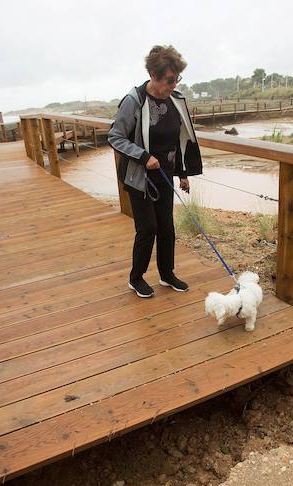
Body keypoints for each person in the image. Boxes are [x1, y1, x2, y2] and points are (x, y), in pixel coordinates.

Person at [108, 45, 203, 298]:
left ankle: (166, 274)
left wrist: (182, 173)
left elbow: (180, 140)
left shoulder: (176, 100)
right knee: (148, 228)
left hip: (165, 175)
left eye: (177, 78)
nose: (173, 84)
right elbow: (115, 137)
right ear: (153, 74)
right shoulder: (134, 101)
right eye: (169, 79)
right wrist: (143, 156)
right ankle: (136, 278)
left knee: (167, 227)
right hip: (140, 176)